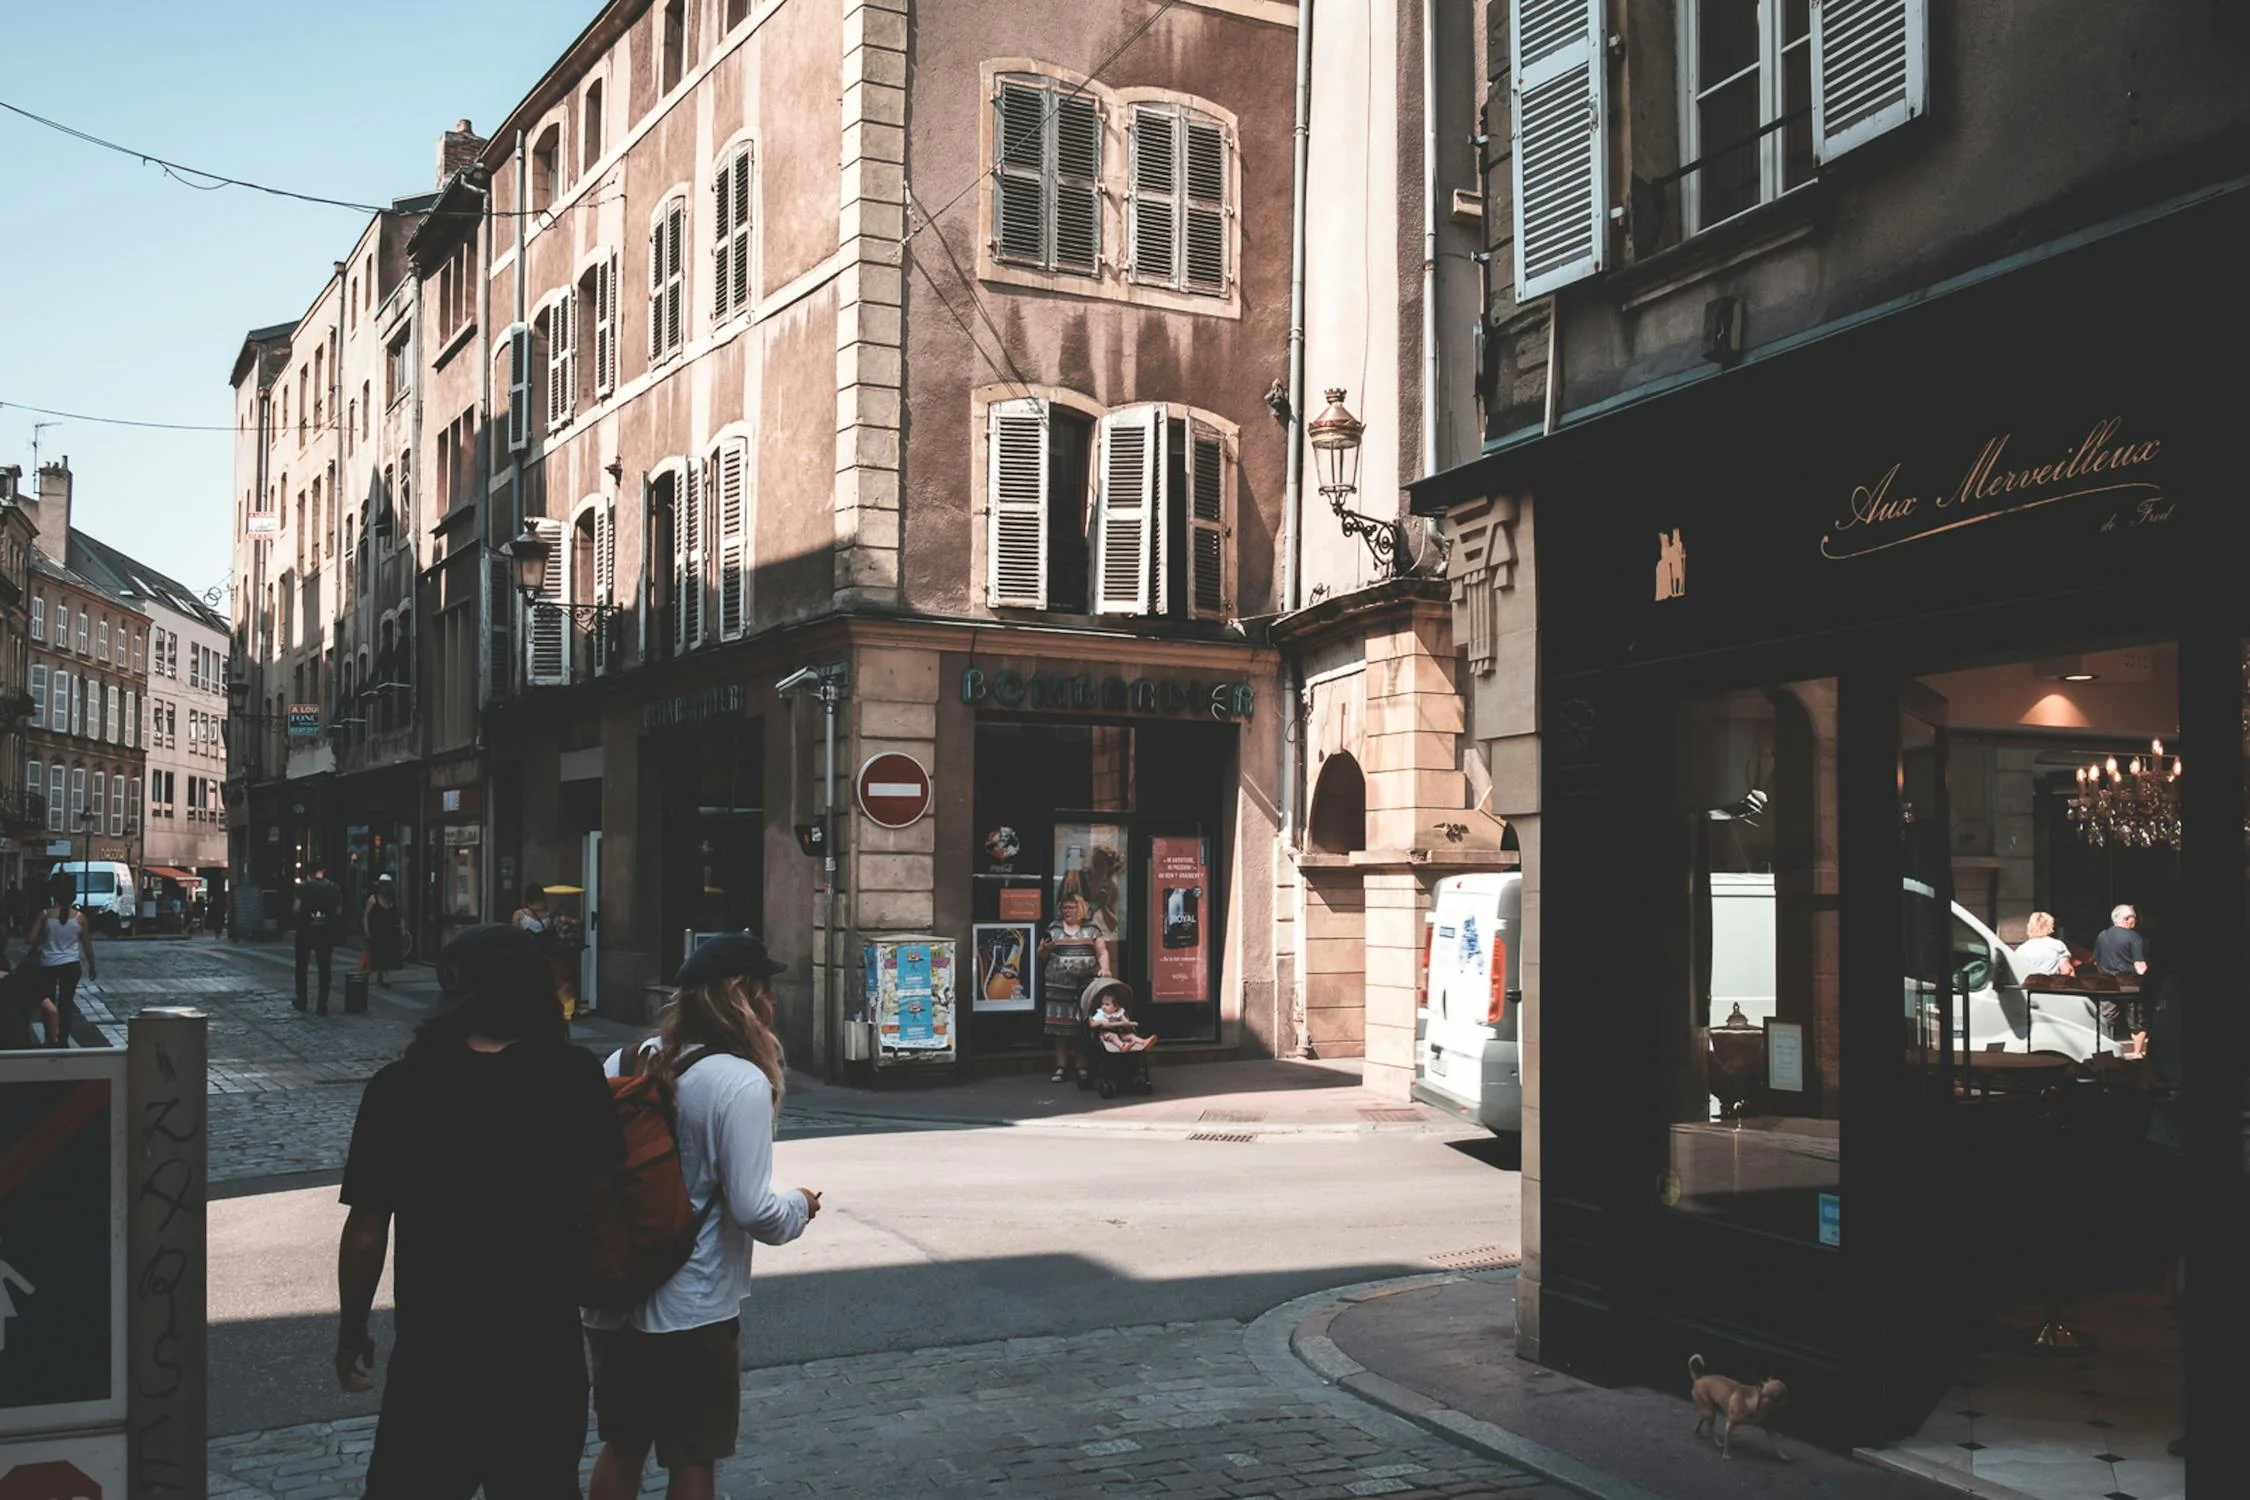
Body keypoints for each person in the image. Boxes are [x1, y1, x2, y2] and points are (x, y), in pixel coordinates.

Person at [334, 923, 626, 1499]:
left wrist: (351, 1330)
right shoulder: (573, 1078)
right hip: (540, 1352)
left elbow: (366, 1232)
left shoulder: (399, 1087)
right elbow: (604, 1205)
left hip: (435, 1357)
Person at [586, 934, 822, 1500]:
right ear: (746, 997)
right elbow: (753, 1209)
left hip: (614, 1291)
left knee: (622, 1446)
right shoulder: (739, 1081)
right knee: (694, 1458)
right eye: (766, 990)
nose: (773, 1002)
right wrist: (802, 1206)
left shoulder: (622, 1060)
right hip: (692, 1306)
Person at [1037, 873, 1109, 1083]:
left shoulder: (1091, 929)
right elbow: (1041, 956)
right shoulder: (1054, 928)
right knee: (1060, 1029)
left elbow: (1102, 952)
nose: (1067, 912)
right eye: (1064, 908)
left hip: (1083, 987)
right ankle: (1060, 1067)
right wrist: (1043, 949)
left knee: (1081, 1028)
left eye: (1072, 908)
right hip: (1058, 986)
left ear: (1082, 909)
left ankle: (1081, 1067)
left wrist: (1104, 969)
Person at [26, 874, 94, 1049]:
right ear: (73, 897)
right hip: (71, 965)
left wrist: (45, 938)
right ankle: (63, 1039)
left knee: (47, 1002)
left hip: (48, 964)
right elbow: (87, 947)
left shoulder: (45, 915)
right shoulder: (80, 918)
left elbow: (30, 938)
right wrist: (92, 967)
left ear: (55, 896)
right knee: (66, 1003)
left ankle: (50, 1037)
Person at [2093, 903, 2150, 1057]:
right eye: (2134, 918)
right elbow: (2139, 964)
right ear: (2126, 919)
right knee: (2137, 1022)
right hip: (2130, 986)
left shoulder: (2102, 935)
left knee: (2106, 1021)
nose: (2135, 921)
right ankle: (2137, 1053)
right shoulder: (2133, 936)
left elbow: (2096, 961)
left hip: (2108, 984)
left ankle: (2106, 1054)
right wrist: (2148, 981)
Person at [294, 864, 343, 1015]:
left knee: (301, 967)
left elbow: (296, 908)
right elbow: (339, 911)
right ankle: (322, 1005)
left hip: (305, 932)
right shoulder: (334, 888)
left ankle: (302, 1001)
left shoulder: (302, 887)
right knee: (325, 969)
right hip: (325, 933)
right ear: (324, 871)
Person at [360, 875, 405, 987]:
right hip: (376, 932)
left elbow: (400, 915)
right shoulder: (373, 899)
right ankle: (375, 975)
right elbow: (366, 915)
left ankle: (384, 975)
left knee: (387, 954)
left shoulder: (393, 900)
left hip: (389, 931)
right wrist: (366, 931)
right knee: (375, 954)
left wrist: (402, 928)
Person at [1089, 985, 1153, 1052]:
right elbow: (1092, 1024)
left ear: (1116, 1007)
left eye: (1107, 1004)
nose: (1103, 1007)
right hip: (1106, 1034)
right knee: (1114, 1036)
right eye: (1102, 1004)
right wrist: (1100, 1022)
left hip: (1119, 1032)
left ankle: (1144, 1042)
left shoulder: (1119, 1012)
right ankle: (1122, 1046)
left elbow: (1125, 1021)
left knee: (1131, 1035)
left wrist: (1126, 1022)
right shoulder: (1101, 1013)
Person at [2012, 911, 2074, 979]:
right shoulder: (2057, 945)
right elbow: (2066, 970)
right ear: (2051, 926)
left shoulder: (2022, 949)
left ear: (2030, 926)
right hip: (2050, 986)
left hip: (2030, 987)